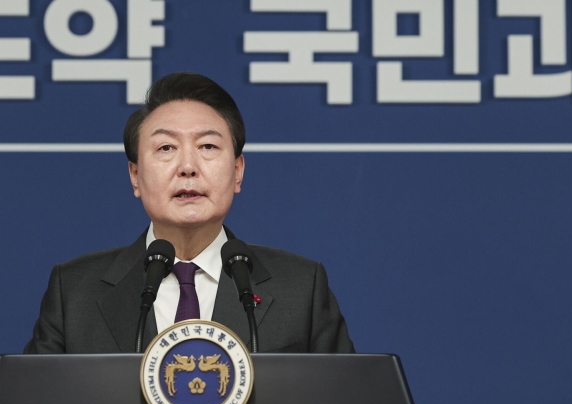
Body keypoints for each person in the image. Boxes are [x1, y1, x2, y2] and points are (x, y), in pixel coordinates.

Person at [24, 72, 354, 354]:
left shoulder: (301, 289)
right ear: (135, 176)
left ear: (237, 171)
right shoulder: (74, 292)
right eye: (166, 148)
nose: (187, 167)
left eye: (207, 146)